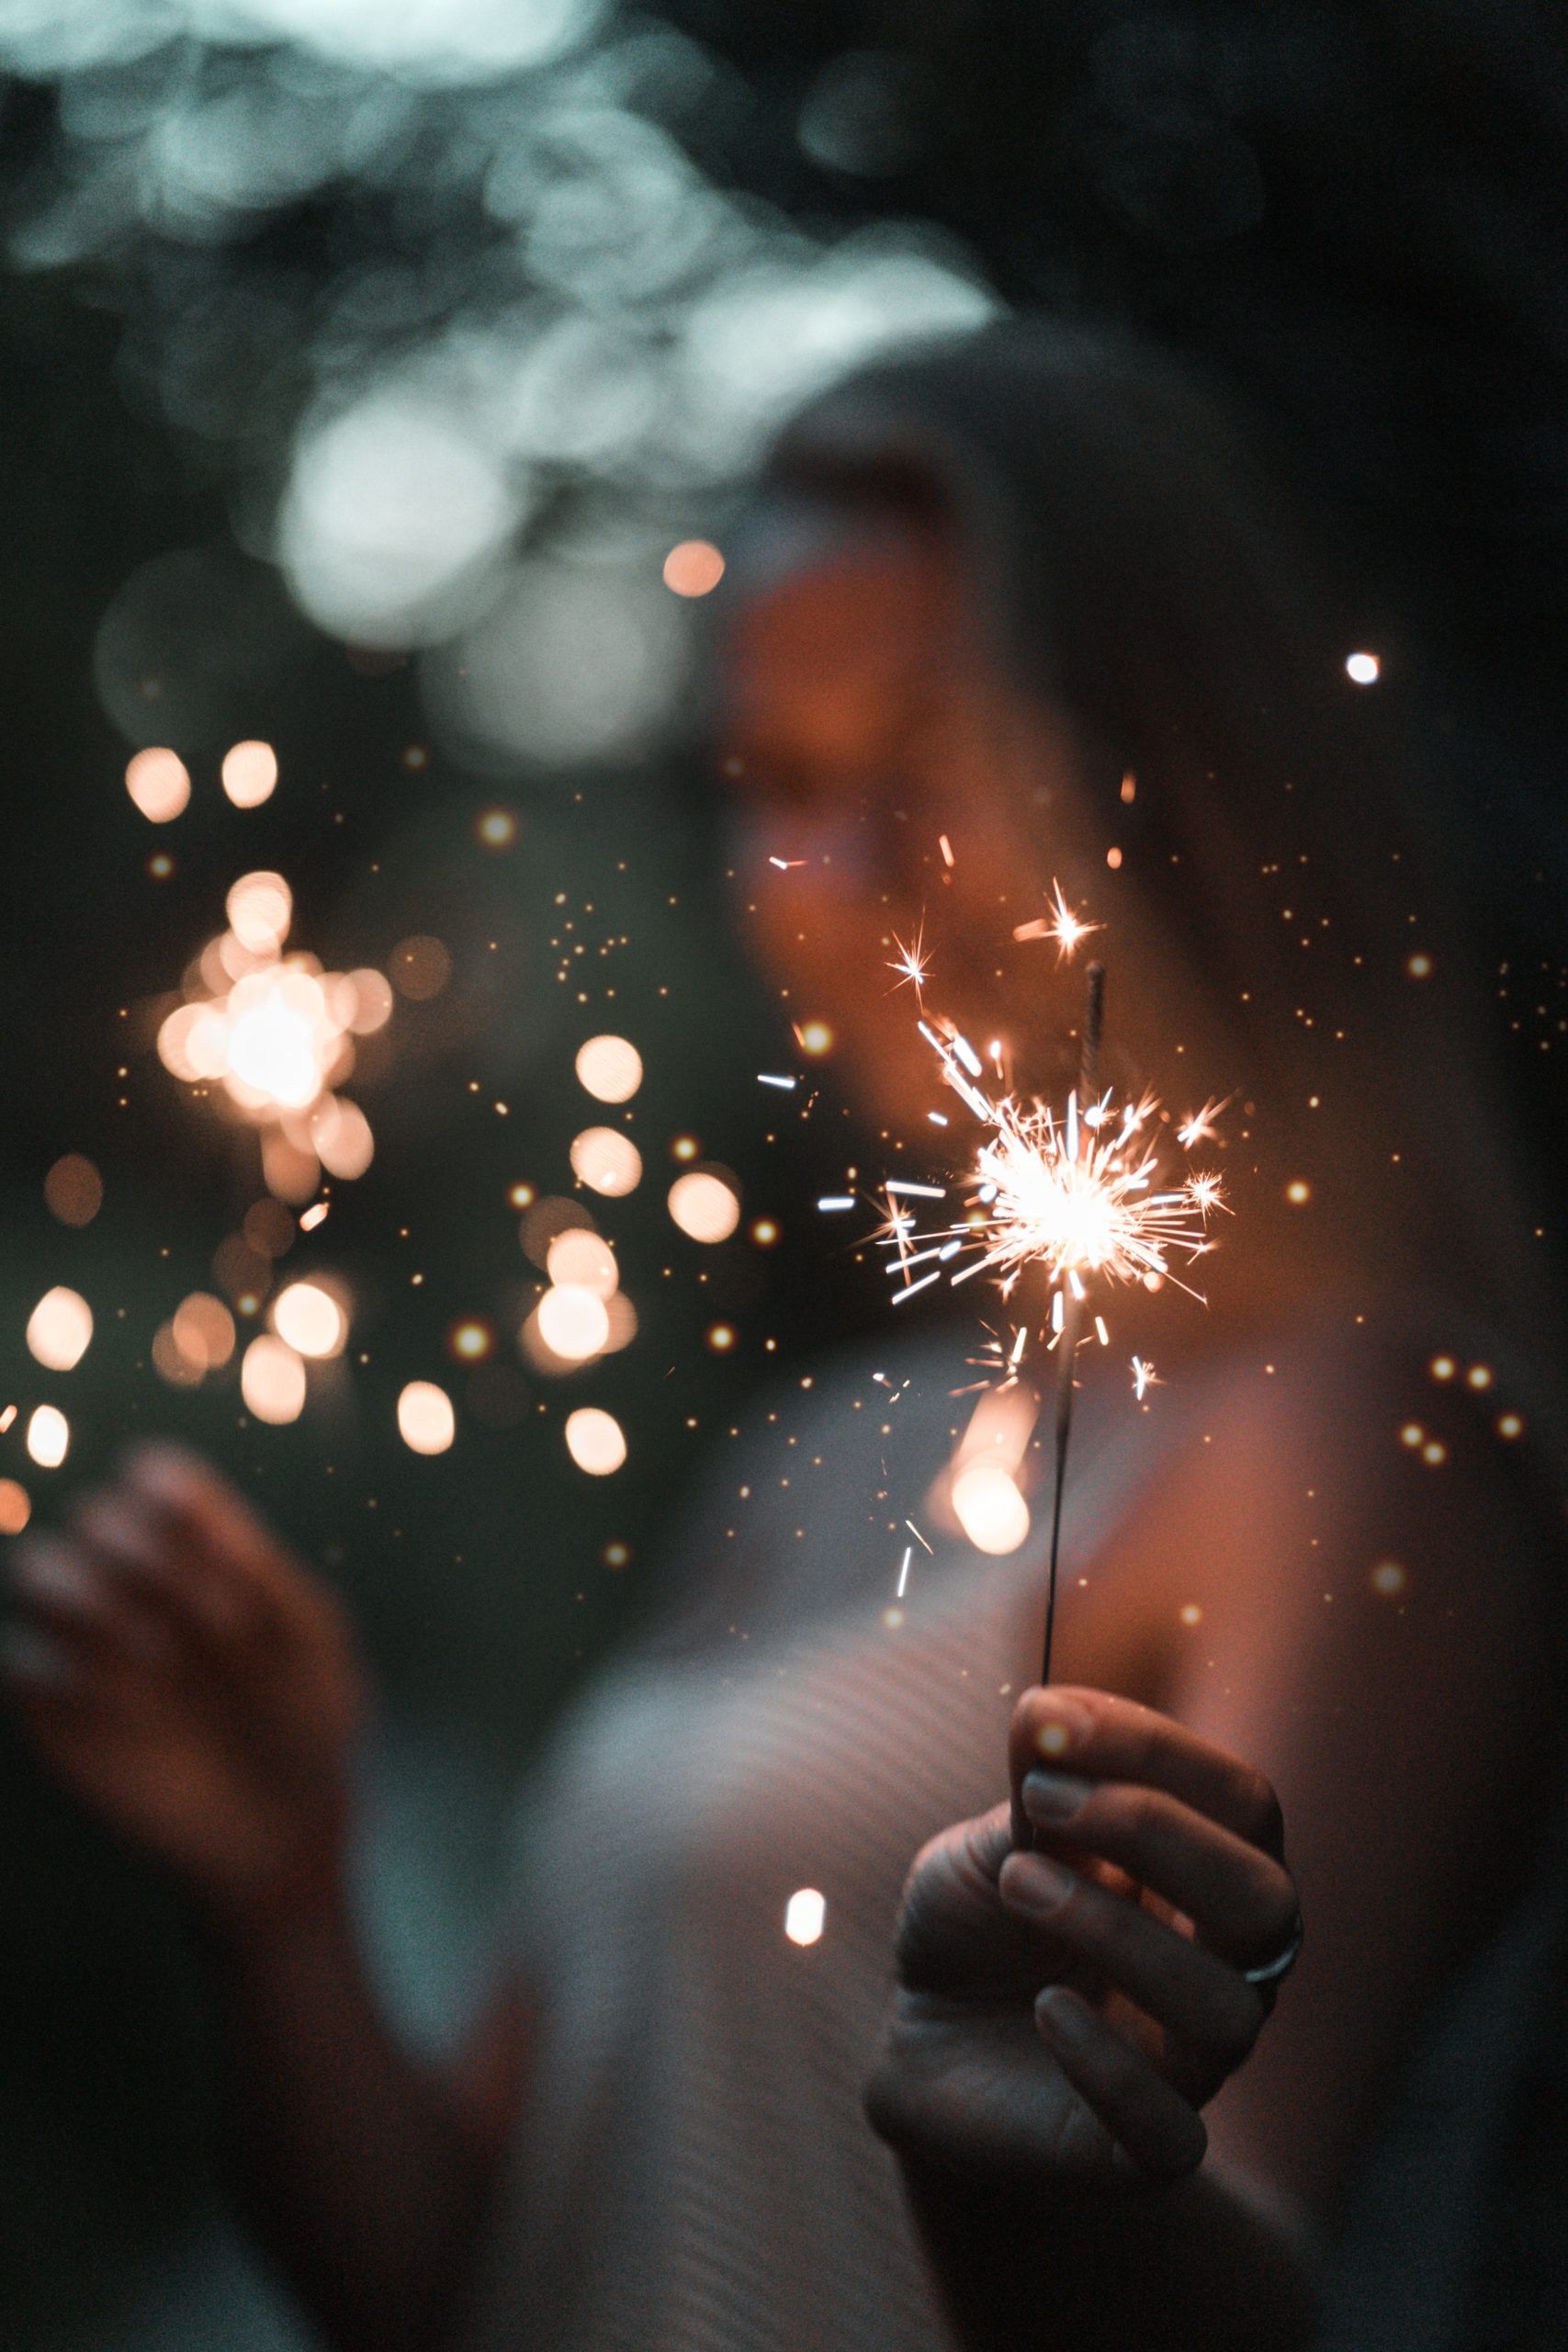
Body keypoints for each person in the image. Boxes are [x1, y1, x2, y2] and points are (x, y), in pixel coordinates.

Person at [4, 322, 1559, 2352]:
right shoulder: (811, 1454)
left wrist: (1033, 2184)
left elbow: (1248, 2277)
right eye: (777, 784)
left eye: (928, 760)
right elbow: (453, 2277)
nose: (828, 879)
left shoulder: (1352, 1438)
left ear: (1170, 777)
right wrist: (279, 1891)